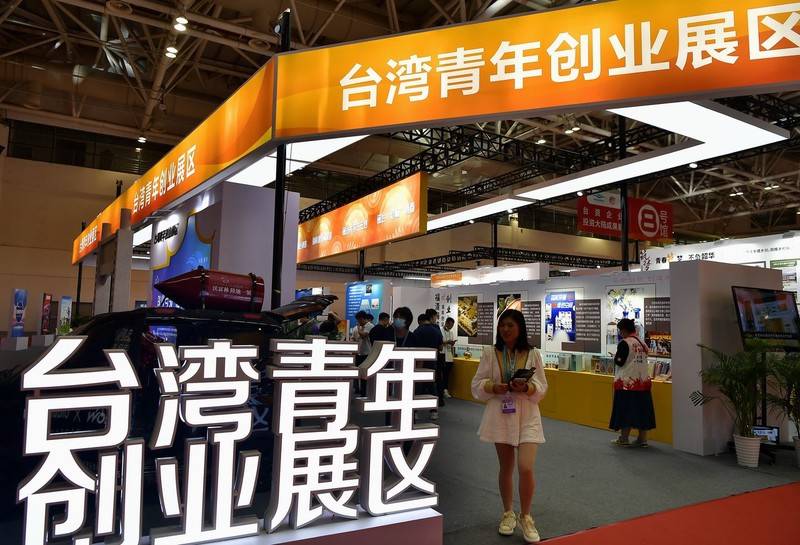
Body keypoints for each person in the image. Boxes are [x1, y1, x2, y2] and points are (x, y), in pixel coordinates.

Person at [471, 309, 547, 543]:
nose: (505, 329)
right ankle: (508, 513)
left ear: (520, 328)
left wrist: (527, 388)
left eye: (510, 325)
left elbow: (542, 387)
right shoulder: (490, 353)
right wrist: (493, 387)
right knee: (506, 467)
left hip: (527, 414)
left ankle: (526, 516)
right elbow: (476, 385)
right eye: (502, 325)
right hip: (500, 414)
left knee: (525, 466)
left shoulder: (533, 354)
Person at [609, 318, 656, 448]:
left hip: (627, 383)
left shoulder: (625, 343)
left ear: (624, 330)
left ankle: (624, 438)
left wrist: (615, 357)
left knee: (625, 411)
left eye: (620, 330)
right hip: (643, 383)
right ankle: (642, 439)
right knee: (642, 411)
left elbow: (620, 361)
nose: (620, 333)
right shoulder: (642, 343)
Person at [414, 312, 444, 420]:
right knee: (432, 387)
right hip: (432, 362)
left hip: (419, 362)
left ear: (420, 321)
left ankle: (415, 412)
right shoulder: (436, 331)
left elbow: (414, 347)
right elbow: (441, 347)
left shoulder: (417, 331)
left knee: (417, 387)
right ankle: (434, 412)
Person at [351, 311, 374, 396]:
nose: (358, 322)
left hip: (367, 353)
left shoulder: (370, 326)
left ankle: (364, 392)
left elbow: (363, 335)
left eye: (359, 320)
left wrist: (358, 328)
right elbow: (353, 338)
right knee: (357, 372)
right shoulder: (356, 328)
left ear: (363, 318)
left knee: (365, 374)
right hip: (358, 353)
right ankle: (357, 389)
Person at [441, 317, 457, 398]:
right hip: (442, 355)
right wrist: (447, 342)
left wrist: (452, 343)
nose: (451, 327)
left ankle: (445, 389)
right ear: (446, 323)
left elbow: (451, 345)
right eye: (450, 325)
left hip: (449, 356)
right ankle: (442, 390)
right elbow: (440, 342)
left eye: (452, 325)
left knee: (447, 375)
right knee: (442, 374)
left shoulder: (451, 332)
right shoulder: (440, 330)